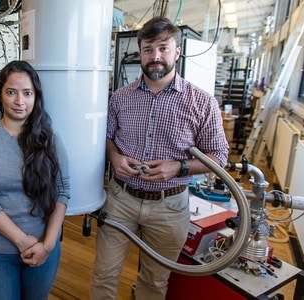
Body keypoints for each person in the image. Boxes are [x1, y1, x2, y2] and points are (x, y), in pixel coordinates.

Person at [90, 17, 229, 300]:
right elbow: (105, 138)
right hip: (121, 199)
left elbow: (220, 156)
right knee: (104, 274)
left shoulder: (201, 102)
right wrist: (114, 157)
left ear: (177, 52)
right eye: (148, 49)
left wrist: (179, 167)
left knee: (154, 281)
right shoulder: (119, 98)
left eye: (163, 48)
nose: (155, 57)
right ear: (139, 52)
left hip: (170, 206)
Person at [0, 60, 71, 300]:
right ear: (0, 95)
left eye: (27, 93)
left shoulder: (50, 138)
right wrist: (22, 241)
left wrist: (48, 245)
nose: (19, 101)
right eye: (11, 92)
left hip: (43, 247)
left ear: (36, 97)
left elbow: (62, 191)